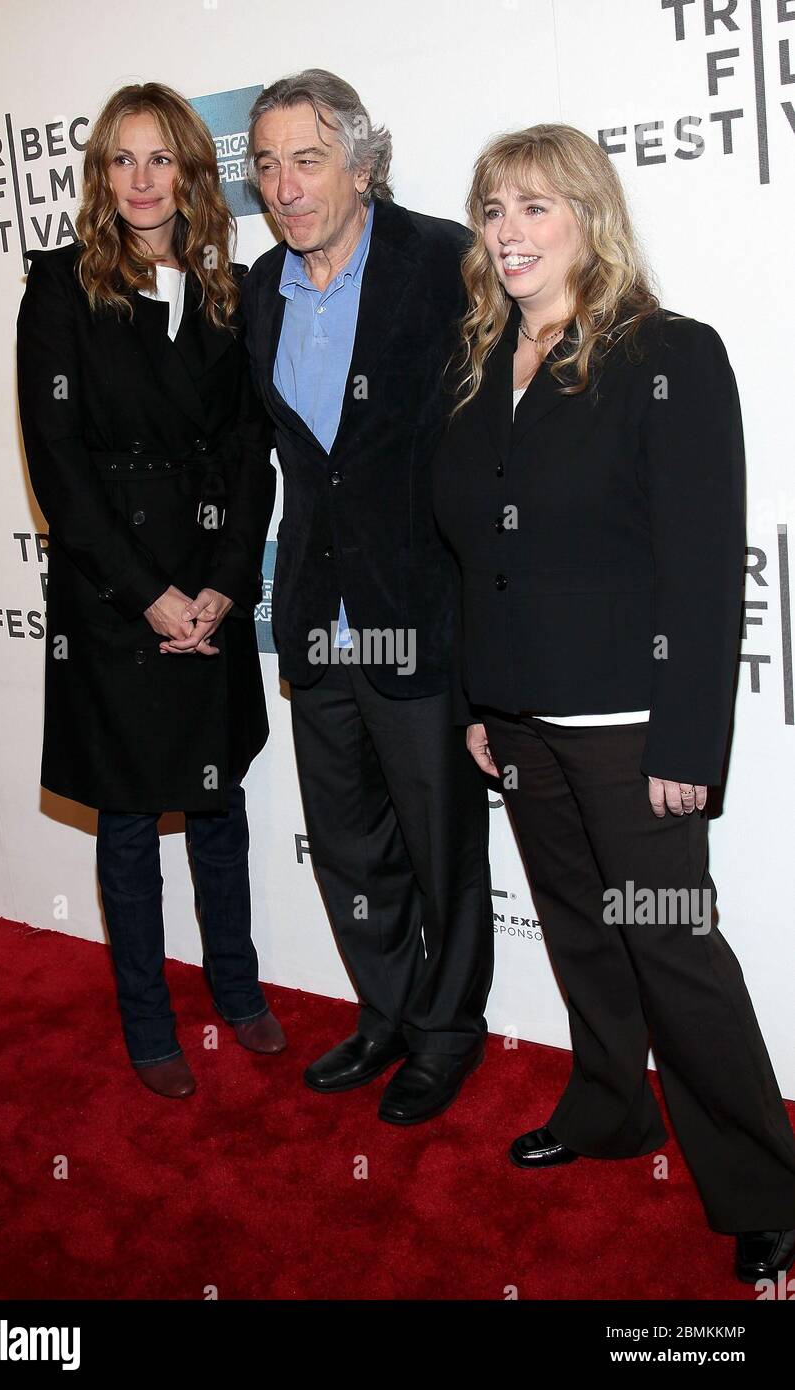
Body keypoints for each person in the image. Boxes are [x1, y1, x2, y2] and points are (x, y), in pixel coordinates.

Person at [432, 122, 795, 1282]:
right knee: (583, 936)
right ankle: (607, 1110)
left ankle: (763, 1184)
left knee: (671, 951)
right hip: (524, 722)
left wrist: (688, 736)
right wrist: (478, 702)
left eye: (534, 206)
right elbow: (468, 559)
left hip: (629, 730)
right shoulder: (481, 366)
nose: (507, 231)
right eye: (493, 210)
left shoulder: (665, 354)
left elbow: (699, 568)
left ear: (589, 217)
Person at [16, 82, 281, 1099]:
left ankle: (239, 988)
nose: (140, 180)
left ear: (189, 171)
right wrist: (149, 597)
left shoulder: (227, 291)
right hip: (113, 598)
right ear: (100, 175)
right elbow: (61, 470)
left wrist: (218, 587)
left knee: (217, 807)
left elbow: (251, 451)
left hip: (208, 585)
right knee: (129, 822)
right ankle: (146, 1022)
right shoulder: (61, 289)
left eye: (159, 159)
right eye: (120, 161)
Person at [241, 70, 494, 1125]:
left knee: (441, 846)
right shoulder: (261, 288)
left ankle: (447, 1032)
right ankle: (384, 1012)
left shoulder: (441, 260)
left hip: (418, 609)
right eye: (264, 164)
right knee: (347, 844)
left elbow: (493, 432)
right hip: (315, 615)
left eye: (306, 158)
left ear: (360, 159)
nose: (285, 186)